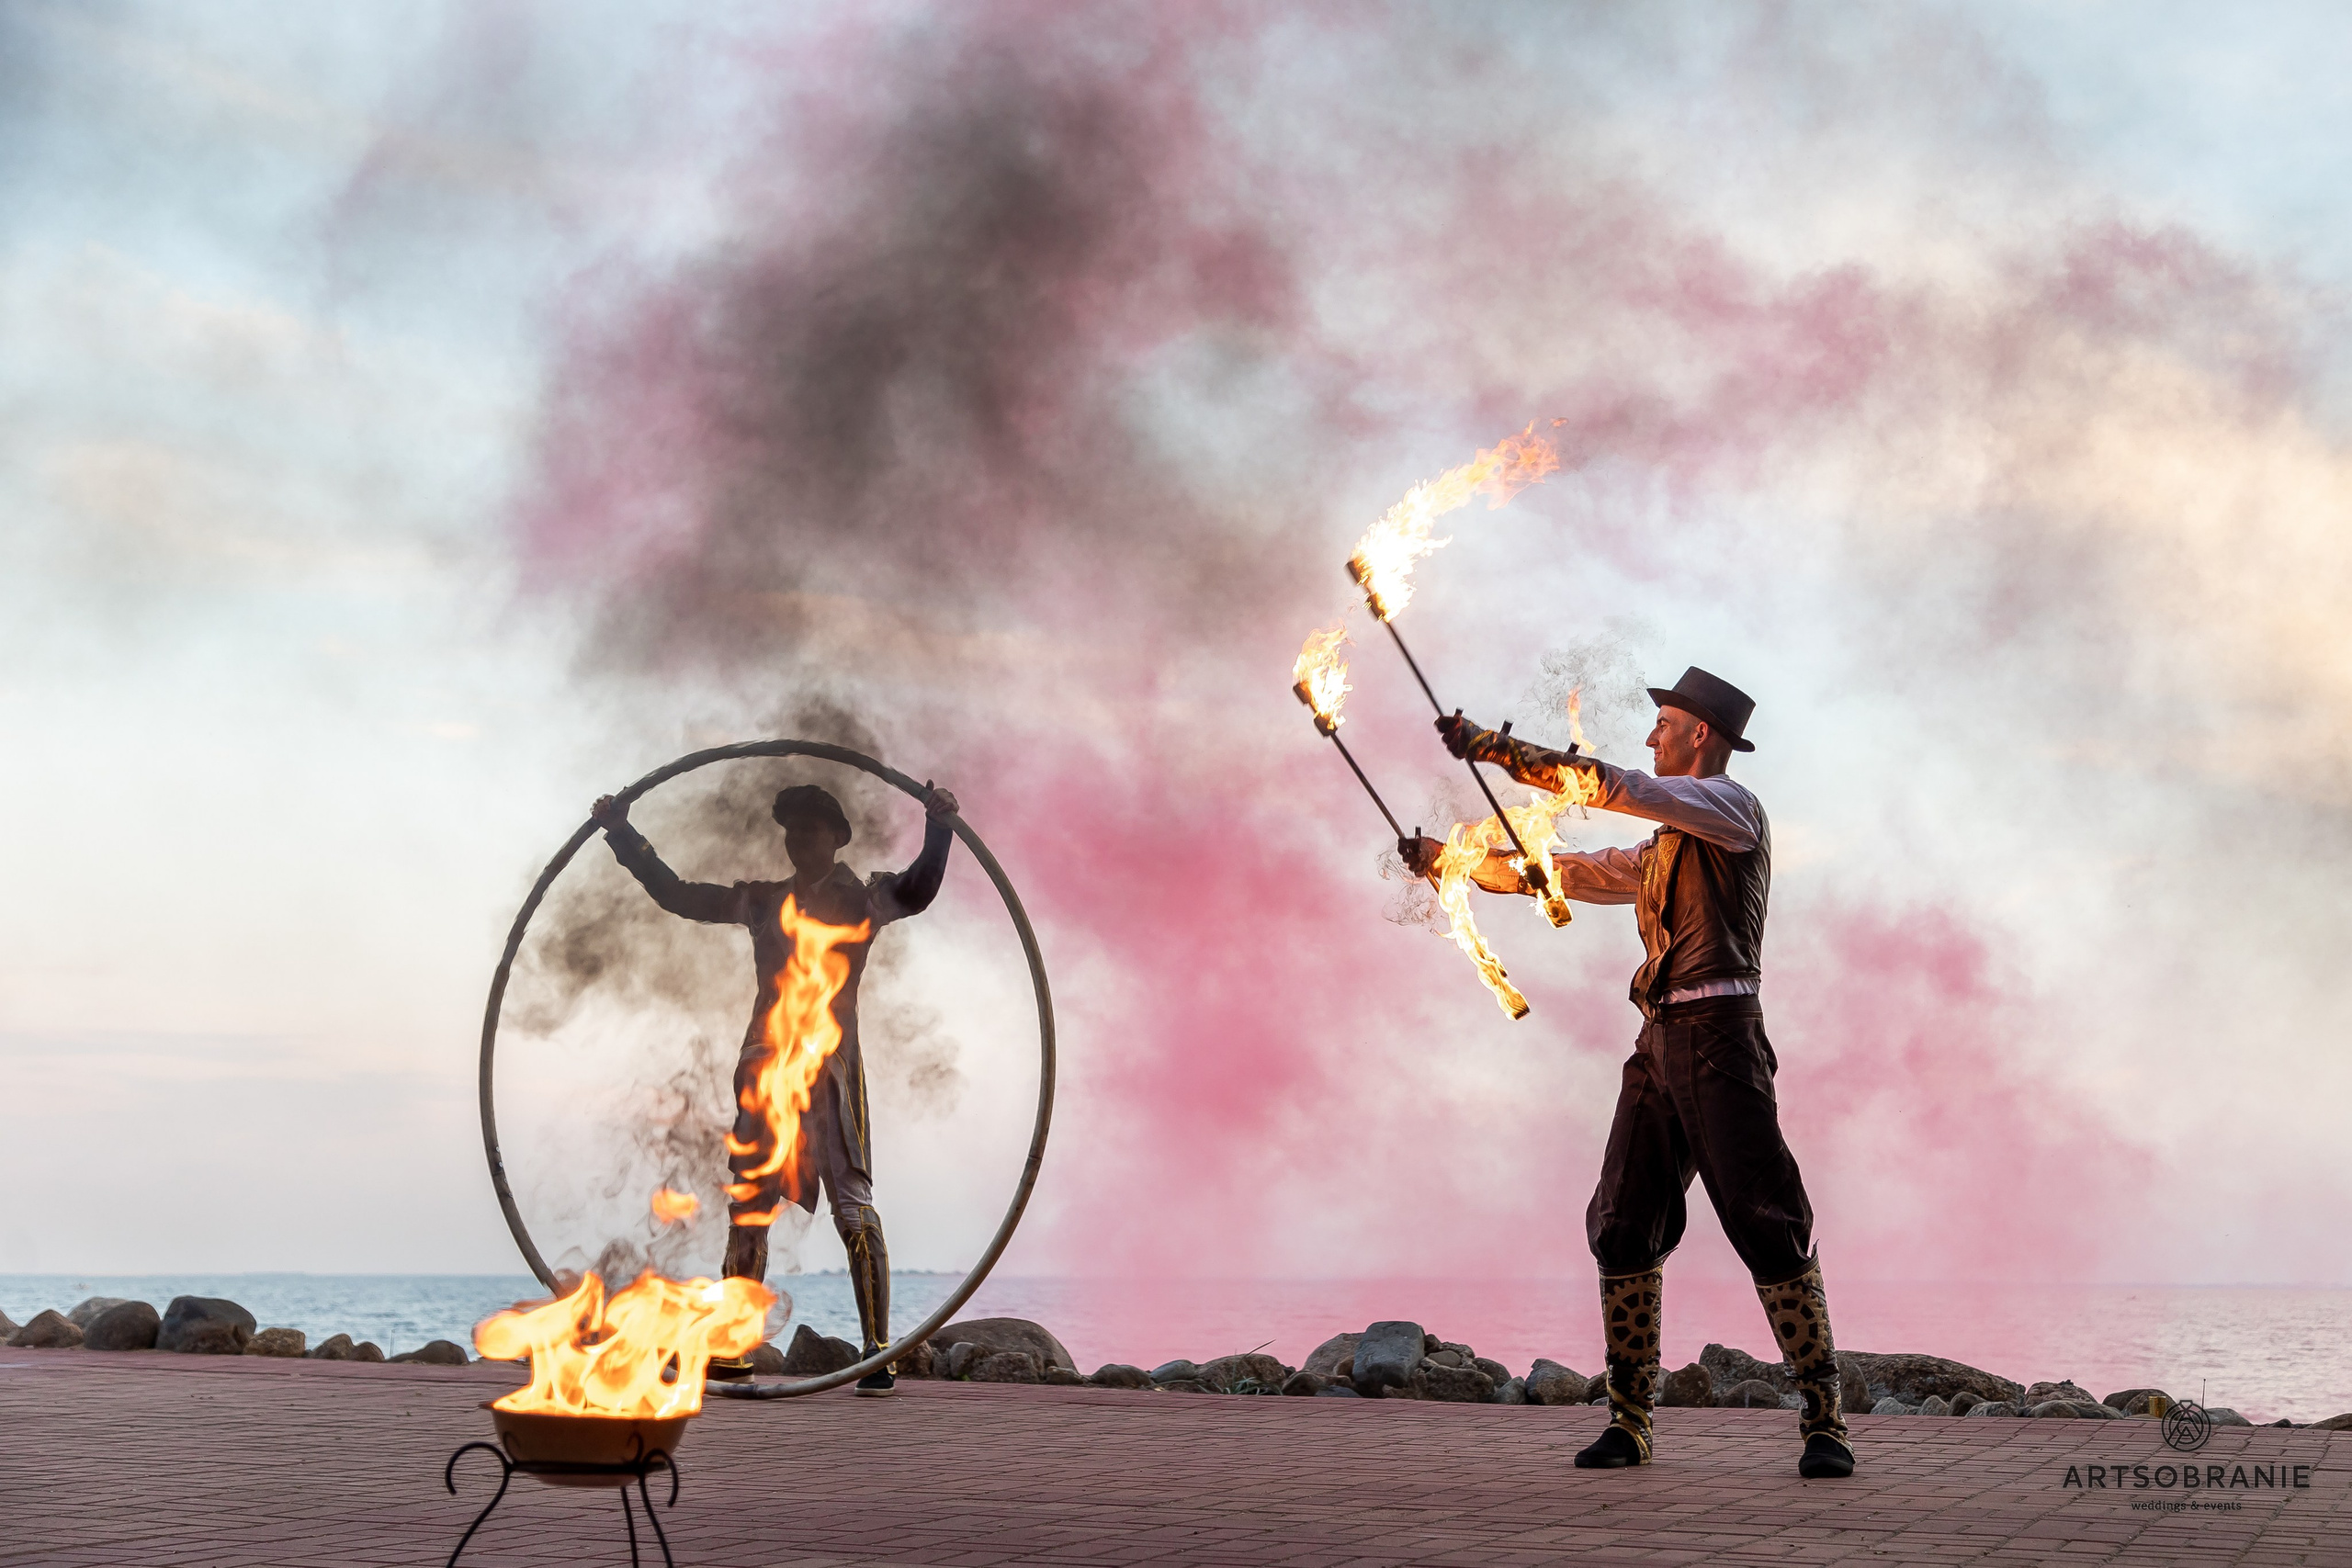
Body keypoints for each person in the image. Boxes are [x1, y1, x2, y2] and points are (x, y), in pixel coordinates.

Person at [1401, 668, 1853, 1479]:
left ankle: (1825, 1422)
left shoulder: (1731, 810)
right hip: (1659, 1038)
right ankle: (1631, 1422)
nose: (1653, 736)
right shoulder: (1665, 845)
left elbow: (1615, 785)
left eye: (1666, 724)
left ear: (1701, 737)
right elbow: (1569, 871)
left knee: (1767, 1218)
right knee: (1621, 1221)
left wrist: (1503, 751)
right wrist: (1455, 861)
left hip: (1721, 1037)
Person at [589, 779, 957, 1395]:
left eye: (812, 828)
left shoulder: (863, 899)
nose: (799, 839)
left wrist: (939, 826)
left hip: (831, 1065)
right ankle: (735, 1343)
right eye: (792, 829)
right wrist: (622, 833)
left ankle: (877, 1349)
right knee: (751, 1198)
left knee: (852, 1202)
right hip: (765, 1062)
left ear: (837, 839)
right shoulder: (763, 902)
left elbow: (918, 889)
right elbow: (679, 894)